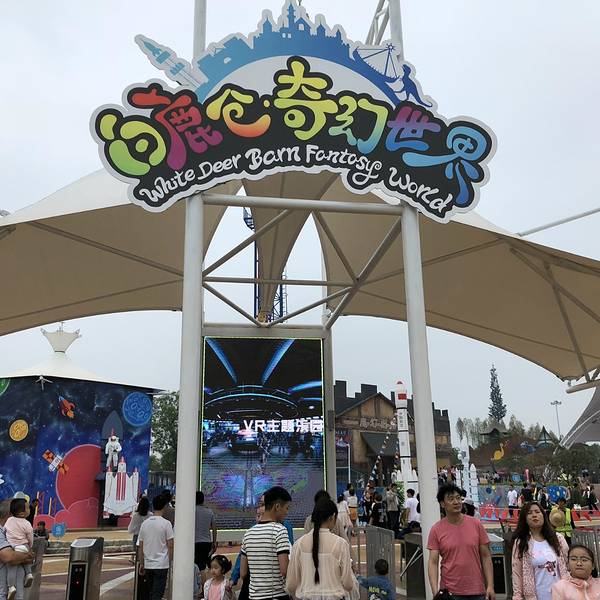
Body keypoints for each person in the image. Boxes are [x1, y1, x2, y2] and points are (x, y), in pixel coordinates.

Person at [427, 483, 495, 600]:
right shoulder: (436, 529)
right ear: (442, 504)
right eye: (451, 499)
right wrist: (435, 592)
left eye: (458, 498)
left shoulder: (476, 524)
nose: (456, 502)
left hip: (477, 591)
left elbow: (486, 556)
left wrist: (490, 586)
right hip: (450, 592)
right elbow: (433, 562)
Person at [286, 498, 357, 600]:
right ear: (332, 517)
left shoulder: (298, 544)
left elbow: (291, 585)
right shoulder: (341, 544)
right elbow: (348, 584)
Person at [240, 486, 291, 600]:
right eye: (286, 508)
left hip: (253, 596)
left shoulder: (248, 533)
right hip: (277, 595)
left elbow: (243, 573)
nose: (287, 513)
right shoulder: (280, 530)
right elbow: (284, 570)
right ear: (277, 507)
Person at [512, 501, 569, 600]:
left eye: (537, 512)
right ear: (524, 519)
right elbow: (517, 572)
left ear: (543, 515)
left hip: (561, 595)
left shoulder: (558, 539)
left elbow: (568, 565)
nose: (534, 515)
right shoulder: (521, 542)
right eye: (529, 513)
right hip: (535, 596)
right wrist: (517, 596)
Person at [137, 494, 174, 600]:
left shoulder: (145, 524)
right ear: (164, 506)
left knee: (151, 592)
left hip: (148, 564)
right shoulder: (166, 524)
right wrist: (170, 561)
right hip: (162, 564)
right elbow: (170, 545)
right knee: (158, 594)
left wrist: (141, 563)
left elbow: (141, 546)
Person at [0, 500, 34, 600]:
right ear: (10, 514)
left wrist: (23, 557)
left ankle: (14, 584)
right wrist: (28, 555)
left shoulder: (7, 530)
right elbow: (9, 557)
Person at [194, 491, 217, 571]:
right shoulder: (209, 511)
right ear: (203, 500)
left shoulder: (192, 511)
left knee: (197, 567)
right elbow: (214, 528)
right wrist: (214, 542)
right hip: (207, 543)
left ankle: (200, 579)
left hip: (195, 542)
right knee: (203, 566)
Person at [128, 496, 152, 563]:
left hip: (137, 535)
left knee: (136, 552)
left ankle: (135, 561)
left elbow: (130, 529)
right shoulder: (150, 515)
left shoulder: (136, 516)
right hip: (147, 536)